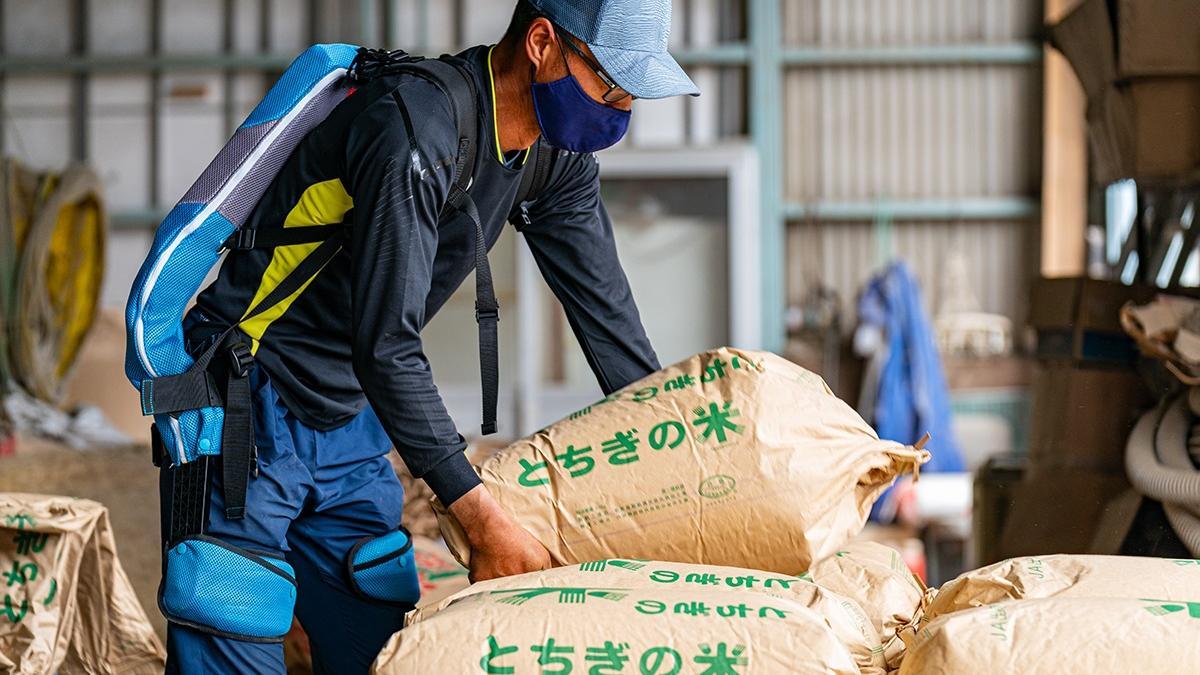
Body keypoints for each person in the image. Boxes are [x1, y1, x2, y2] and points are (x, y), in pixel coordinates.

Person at [165, 0, 700, 672]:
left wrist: (689, 465)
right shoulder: (415, 129)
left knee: (383, 648)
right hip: (248, 396)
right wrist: (482, 518)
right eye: (614, 86)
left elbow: (612, 327)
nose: (620, 110)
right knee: (232, 625)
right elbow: (387, 345)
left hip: (352, 419)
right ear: (542, 42)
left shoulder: (548, 159)